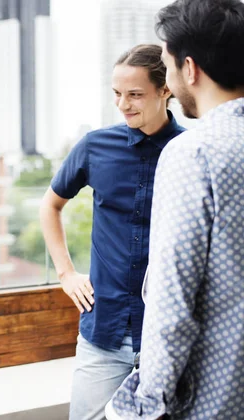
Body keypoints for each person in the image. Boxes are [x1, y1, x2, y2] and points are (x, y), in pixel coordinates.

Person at [108, 0, 244, 418]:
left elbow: (172, 298)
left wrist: (144, 406)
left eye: (166, 67)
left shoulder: (195, 152)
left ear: (190, 69)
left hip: (214, 401)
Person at [39, 44, 185, 420]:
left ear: (165, 89)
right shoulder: (94, 146)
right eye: (117, 94)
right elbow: (50, 205)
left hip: (168, 335)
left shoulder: (189, 151)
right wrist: (66, 273)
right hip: (103, 332)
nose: (123, 105)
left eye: (135, 94)